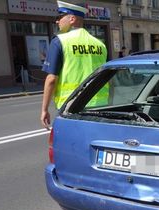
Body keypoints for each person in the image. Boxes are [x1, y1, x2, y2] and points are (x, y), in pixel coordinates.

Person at [40, 1, 108, 129]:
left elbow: (51, 79)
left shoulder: (59, 42)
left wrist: (44, 109)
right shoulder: (100, 44)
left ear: (71, 19)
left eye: (59, 17)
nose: (57, 22)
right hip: (99, 103)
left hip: (71, 105)